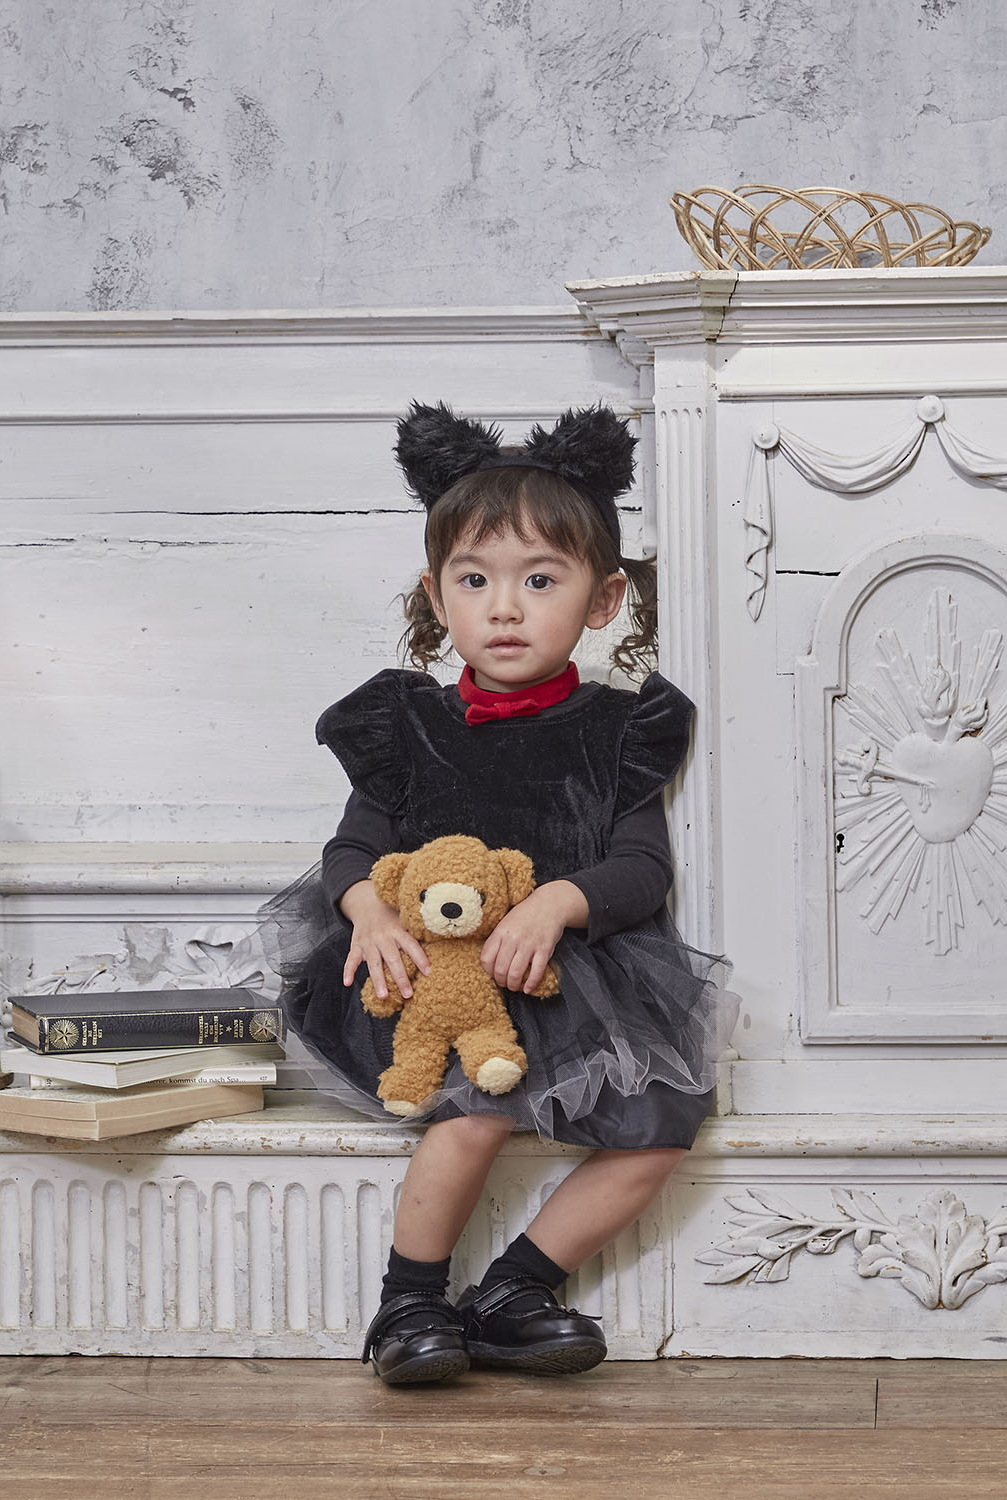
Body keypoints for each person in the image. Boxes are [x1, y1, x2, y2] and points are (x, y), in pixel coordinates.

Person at [260, 400, 735, 1385]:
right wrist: (366, 911)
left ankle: (514, 1291)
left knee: (662, 1129)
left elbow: (642, 868)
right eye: (475, 580)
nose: (505, 608)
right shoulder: (406, 726)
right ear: (436, 597)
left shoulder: (619, 730)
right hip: (438, 980)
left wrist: (558, 902)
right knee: (474, 1110)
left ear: (602, 600)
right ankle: (408, 1302)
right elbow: (354, 849)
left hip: (569, 977)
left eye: (540, 580)